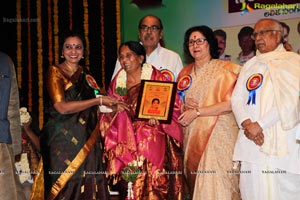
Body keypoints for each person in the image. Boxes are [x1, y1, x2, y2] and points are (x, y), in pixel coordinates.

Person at [38, 30, 124, 200]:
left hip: (86, 139)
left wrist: (117, 105)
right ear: (62, 52)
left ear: (83, 52)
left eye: (78, 47)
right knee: (65, 186)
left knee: (89, 183)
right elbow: (61, 107)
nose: (73, 51)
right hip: (60, 144)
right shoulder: (54, 72)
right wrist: (97, 102)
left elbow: (103, 100)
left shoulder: (87, 76)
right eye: (68, 47)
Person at [100, 41, 184, 199]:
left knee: (155, 182)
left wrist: (158, 116)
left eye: (129, 55)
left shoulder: (154, 75)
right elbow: (107, 111)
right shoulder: (118, 80)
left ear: (140, 58)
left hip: (152, 138)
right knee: (131, 183)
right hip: (126, 140)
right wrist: (114, 109)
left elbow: (173, 104)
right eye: (121, 56)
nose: (124, 59)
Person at [231, 18, 300, 200]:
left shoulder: (294, 62)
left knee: (283, 190)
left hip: (281, 140)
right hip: (251, 139)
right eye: (256, 34)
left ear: (278, 35)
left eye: (263, 32)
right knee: (252, 189)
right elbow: (236, 98)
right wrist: (247, 124)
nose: (258, 38)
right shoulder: (250, 65)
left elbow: (291, 101)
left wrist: (260, 125)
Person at [177, 26, 241, 199]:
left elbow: (232, 104)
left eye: (200, 40)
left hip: (219, 136)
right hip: (192, 138)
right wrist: (184, 106)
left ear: (209, 43)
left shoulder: (229, 70)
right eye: (191, 42)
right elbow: (176, 104)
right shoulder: (184, 73)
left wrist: (198, 111)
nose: (195, 45)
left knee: (219, 185)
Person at [111, 14, 183, 80]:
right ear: (139, 33)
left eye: (154, 28)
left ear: (161, 34)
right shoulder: (125, 56)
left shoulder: (173, 58)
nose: (148, 32)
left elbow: (180, 91)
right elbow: (114, 87)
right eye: (144, 28)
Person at [0, 51, 26, 200]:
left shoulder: (4, 61)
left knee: (7, 192)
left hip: (2, 141)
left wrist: (15, 147)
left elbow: (12, 105)